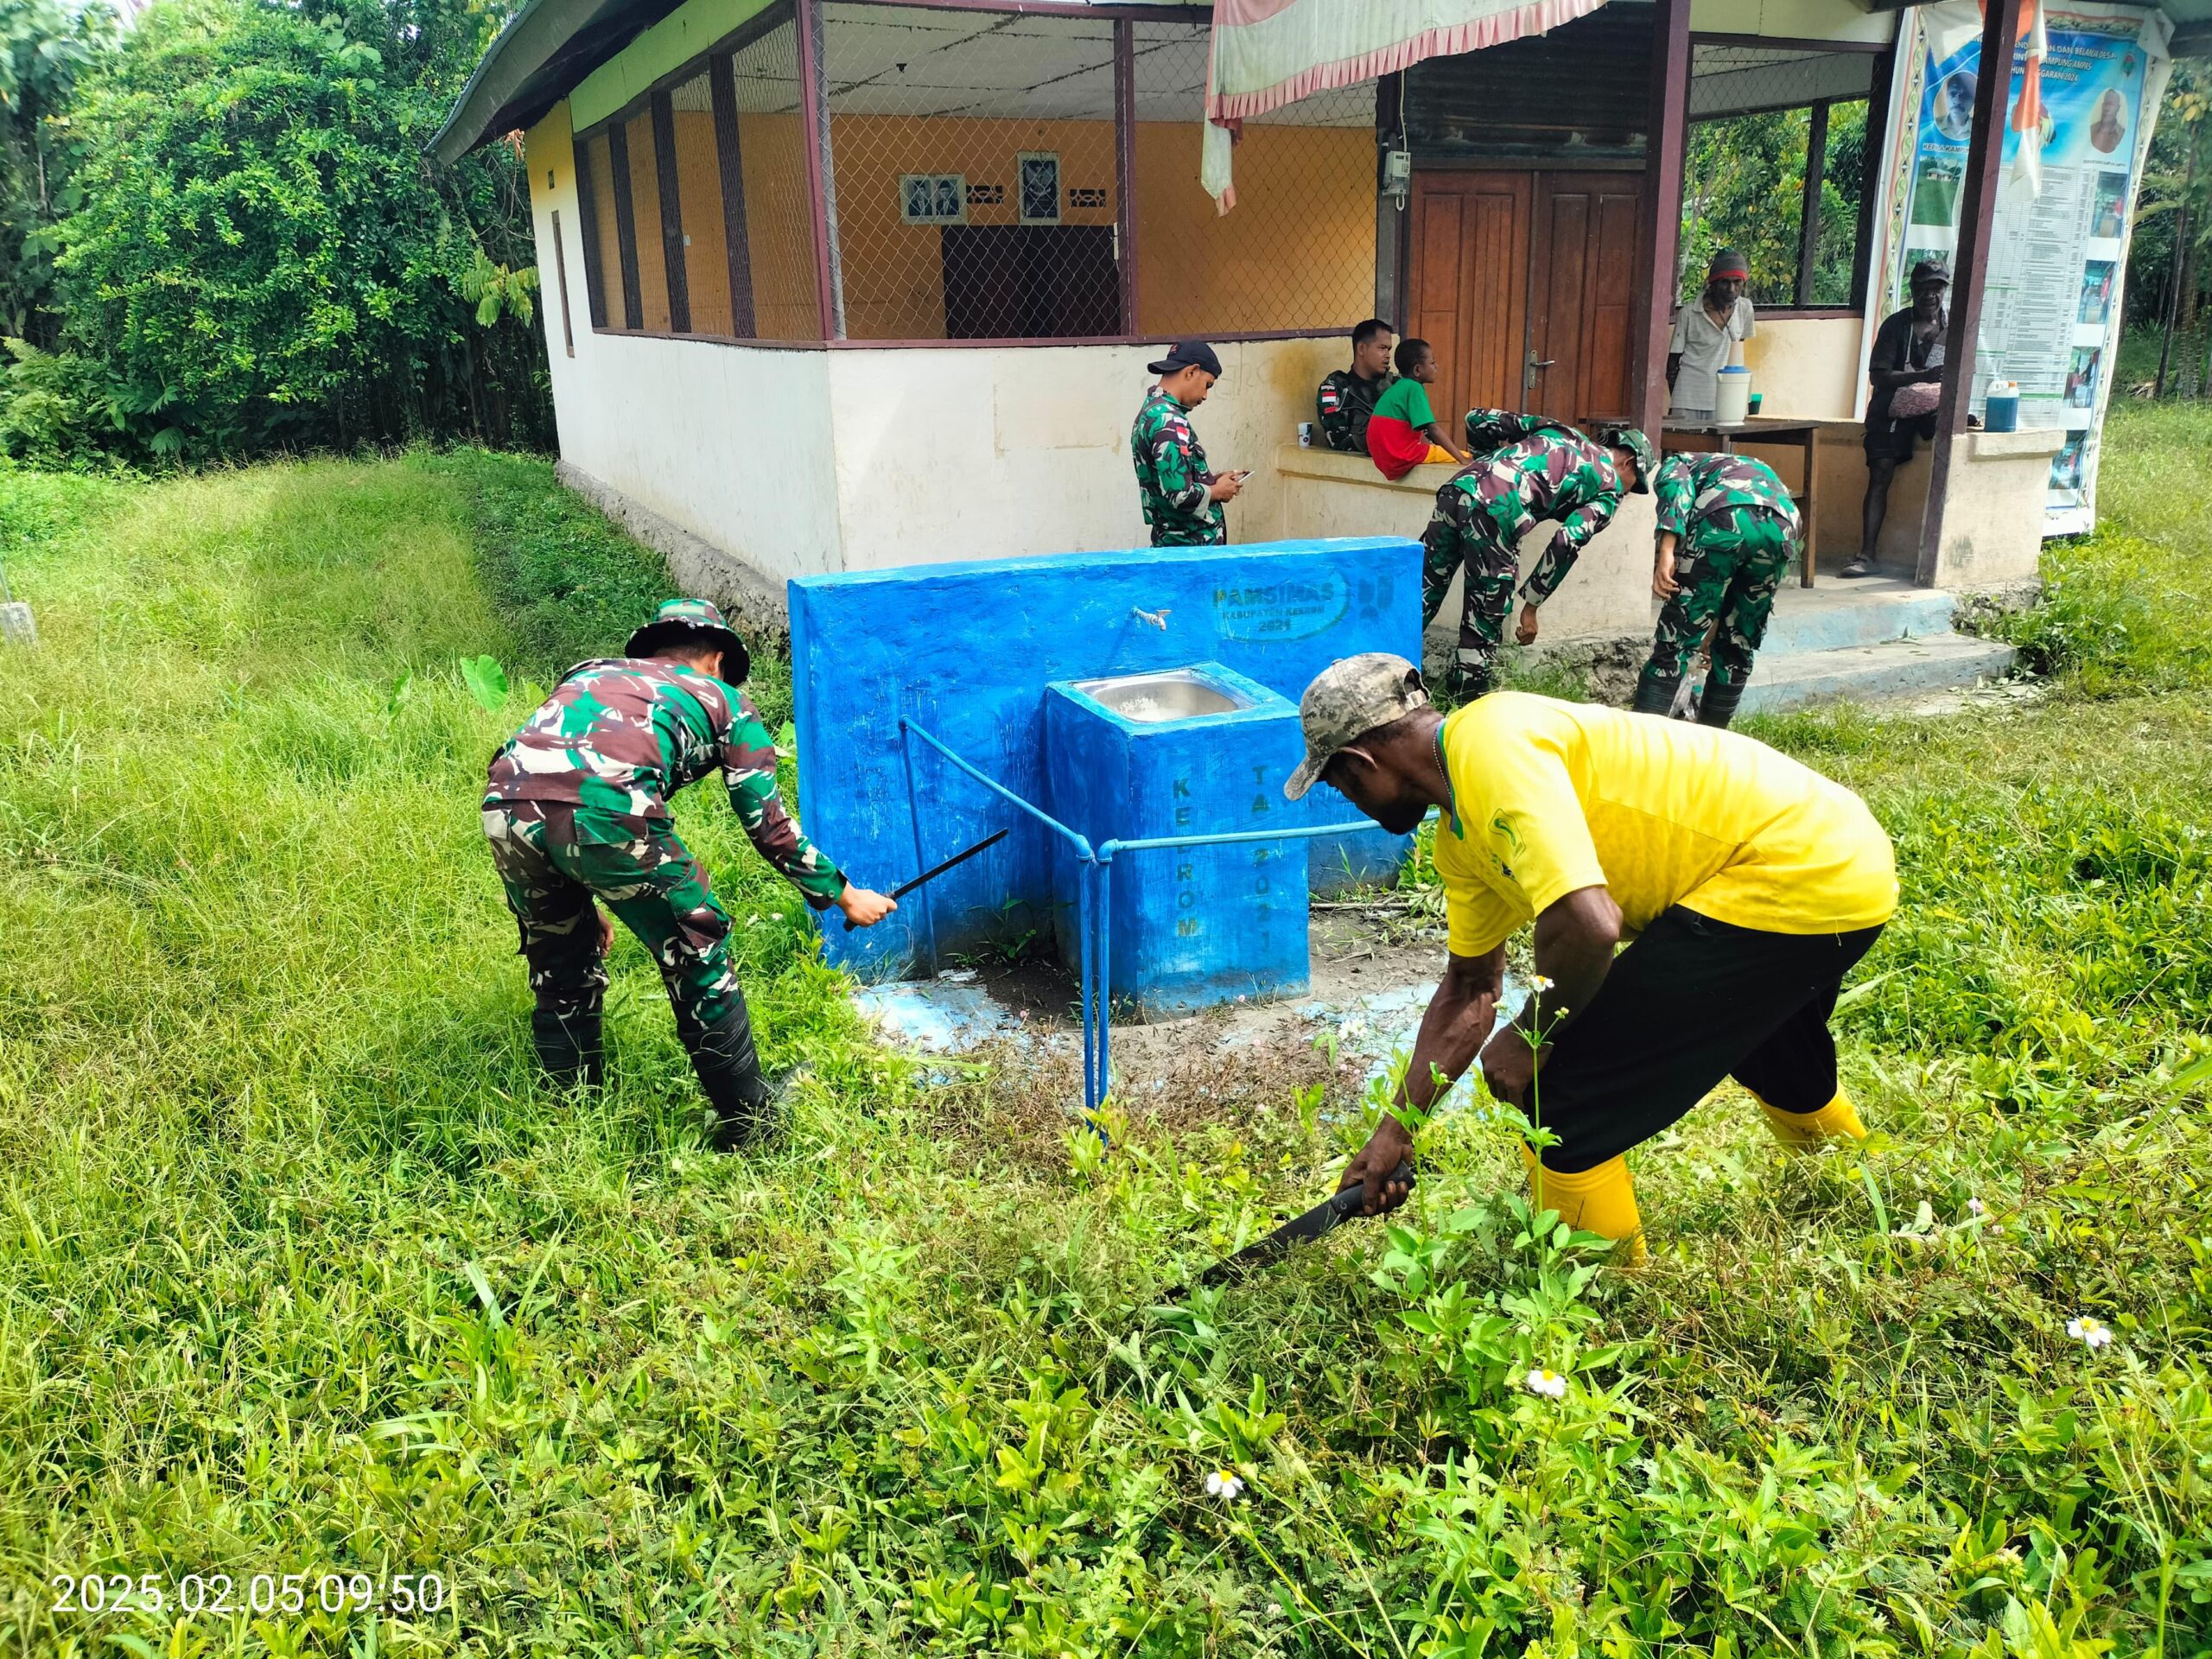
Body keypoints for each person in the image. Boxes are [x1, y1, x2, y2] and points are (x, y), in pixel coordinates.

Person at [1283, 653, 1897, 1260]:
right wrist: (1397, 1130)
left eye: (1338, 787)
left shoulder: (1489, 742)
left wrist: (1531, 1036)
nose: (1350, 801)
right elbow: (1470, 989)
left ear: (1361, 763)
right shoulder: (1462, 833)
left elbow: (1587, 923)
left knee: (1560, 1096)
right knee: (1774, 1050)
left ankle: (1600, 1295)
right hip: (1838, 858)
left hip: (1792, 865)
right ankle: (1857, 1190)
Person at [481, 599, 896, 1149]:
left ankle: (572, 1118)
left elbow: (558, 772)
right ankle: (753, 1126)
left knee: (561, 956)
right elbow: (768, 825)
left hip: (505, 803)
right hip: (609, 811)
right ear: (719, 659)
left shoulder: (591, 672)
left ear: (655, 646)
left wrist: (587, 902)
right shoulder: (725, 700)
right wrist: (845, 895)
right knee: (696, 945)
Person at [1421, 410, 1653, 699]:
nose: (1628, 493)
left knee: (1420, 592)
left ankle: (1382, 671)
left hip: (1457, 490)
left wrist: (1484, 464)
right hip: (1497, 514)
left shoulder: (1560, 430)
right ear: (1628, 462)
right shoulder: (1610, 489)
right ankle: (1463, 708)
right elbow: (1567, 540)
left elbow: (1475, 419)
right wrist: (1531, 607)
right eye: (1634, 484)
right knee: (1483, 619)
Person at [1629, 450, 1802, 728]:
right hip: (1783, 528)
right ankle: (1713, 743)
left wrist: (1667, 552)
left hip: (1723, 520)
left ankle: (1641, 740)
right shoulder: (1749, 465)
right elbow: (1728, 587)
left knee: (1676, 642)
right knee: (1738, 642)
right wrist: (1714, 628)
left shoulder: (1678, 461)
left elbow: (1678, 490)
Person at [1848, 259, 1949, 579]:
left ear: (1944, 290)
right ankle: (1867, 554)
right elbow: (1879, 377)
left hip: (1931, 408)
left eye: (1936, 288)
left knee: (1951, 457)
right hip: (1893, 407)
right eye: (1923, 289)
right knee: (1881, 471)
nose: (1930, 295)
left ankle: (1936, 559)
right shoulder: (1896, 326)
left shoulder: (1952, 327)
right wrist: (1923, 376)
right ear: (1912, 291)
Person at [1132, 338, 1243, 547]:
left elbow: (1171, 481)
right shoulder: (1169, 421)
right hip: (1190, 553)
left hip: (1177, 548)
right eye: (1207, 385)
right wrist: (1218, 491)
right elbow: (1180, 495)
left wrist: (1212, 481)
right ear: (1191, 372)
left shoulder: (1152, 412)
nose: (1205, 395)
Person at [1667, 249, 1757, 422]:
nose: (1731, 289)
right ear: (1712, 283)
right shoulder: (1689, 313)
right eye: (1725, 282)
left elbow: (1736, 355)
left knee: (1721, 448)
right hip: (1688, 398)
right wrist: (1678, 395)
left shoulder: (1745, 309)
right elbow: (1672, 366)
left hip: (1726, 398)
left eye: (1737, 282)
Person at [1364, 339, 1472, 481]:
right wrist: (1462, 460)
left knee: (1435, 451)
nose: (1437, 366)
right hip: (1400, 456)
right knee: (1467, 457)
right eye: (1433, 363)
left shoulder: (1397, 387)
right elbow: (1433, 429)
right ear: (1417, 370)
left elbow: (1416, 430)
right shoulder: (1414, 388)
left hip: (1384, 459)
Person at [1316, 319, 1397, 454]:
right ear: (1361, 348)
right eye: (1382, 348)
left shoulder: (1396, 385)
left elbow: (1422, 433)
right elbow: (1339, 442)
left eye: (1389, 349)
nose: (1387, 355)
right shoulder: (1335, 388)